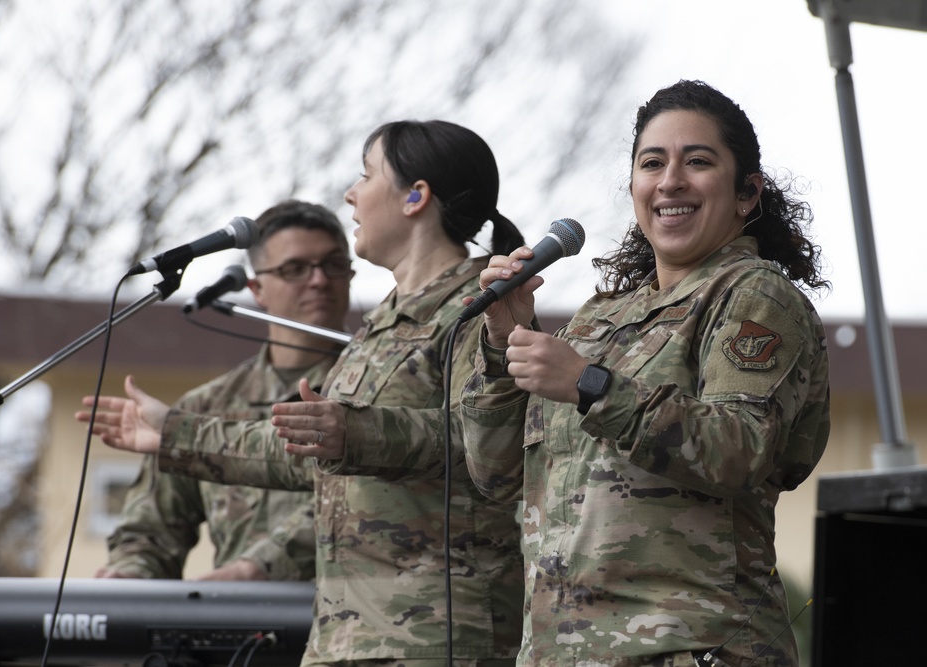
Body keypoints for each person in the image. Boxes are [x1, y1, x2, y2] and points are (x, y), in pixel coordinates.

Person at [452, 80, 830, 666]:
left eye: (698, 161)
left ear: (747, 193)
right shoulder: (600, 318)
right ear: (633, 187)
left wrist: (590, 385)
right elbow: (496, 476)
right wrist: (502, 344)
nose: (671, 180)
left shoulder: (754, 296)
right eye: (652, 163)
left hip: (691, 648)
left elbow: (740, 449)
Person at [147, 120, 528, 665]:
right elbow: (316, 452)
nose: (351, 193)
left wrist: (356, 431)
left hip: (438, 639)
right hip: (347, 638)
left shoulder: (483, 307)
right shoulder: (382, 323)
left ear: (416, 196)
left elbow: (492, 447)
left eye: (366, 175)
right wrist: (173, 435)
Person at [75, 200, 353, 581]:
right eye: (296, 269)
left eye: (334, 265)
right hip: (239, 628)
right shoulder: (209, 407)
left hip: (354, 625)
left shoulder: (378, 387)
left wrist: (253, 570)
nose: (319, 280)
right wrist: (130, 575)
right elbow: (149, 531)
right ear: (257, 289)